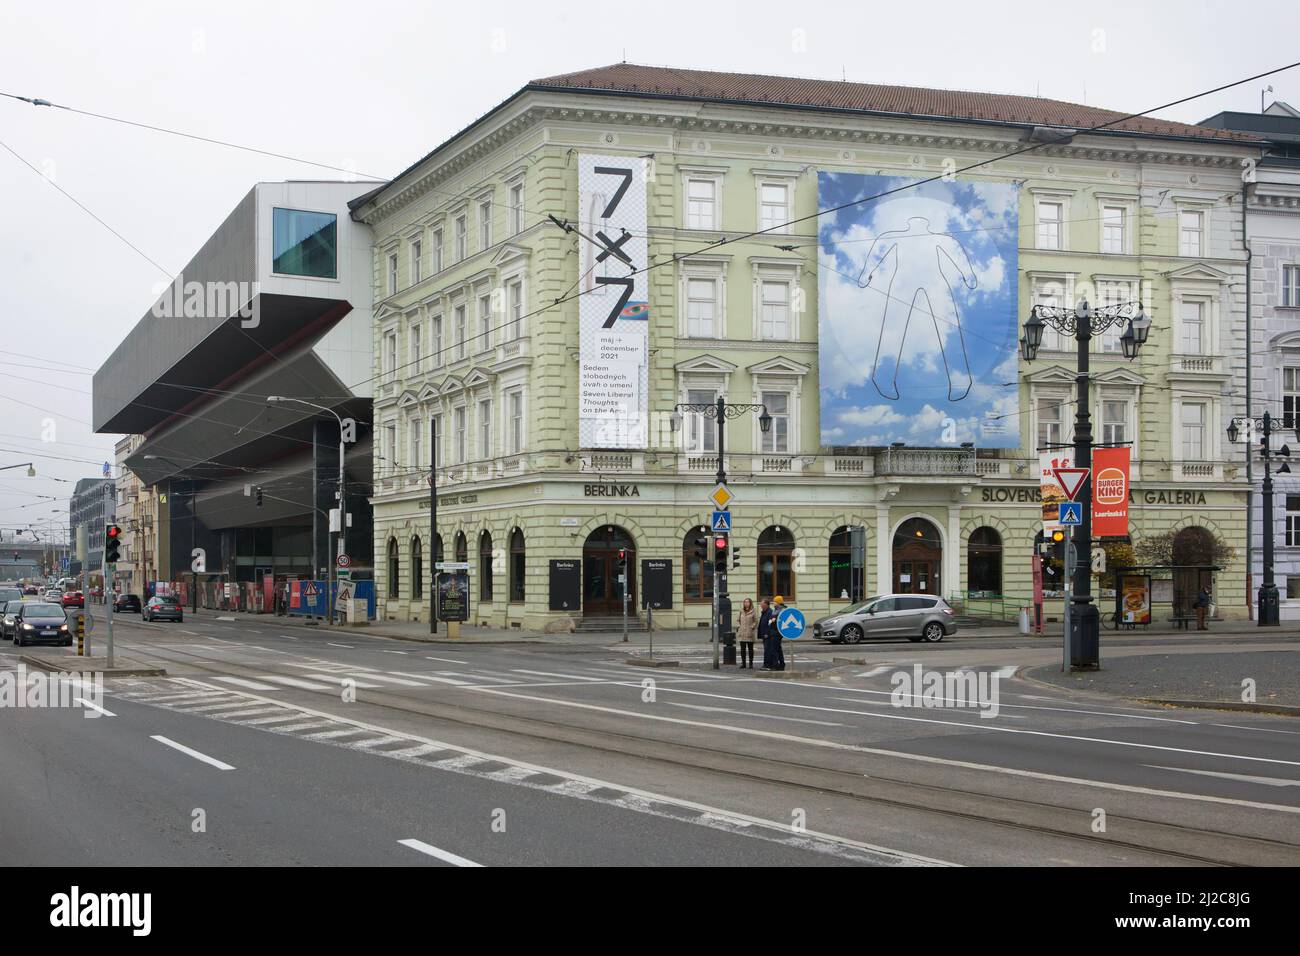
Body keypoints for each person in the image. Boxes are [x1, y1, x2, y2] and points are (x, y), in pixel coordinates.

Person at [735, 598, 758, 668]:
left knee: (750, 649)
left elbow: (756, 621)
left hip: (749, 632)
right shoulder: (741, 611)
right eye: (745, 602)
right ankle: (743, 663)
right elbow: (738, 620)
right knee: (742, 649)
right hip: (742, 632)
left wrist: (752, 627)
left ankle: (751, 663)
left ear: (750, 603)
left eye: (747, 602)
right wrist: (738, 626)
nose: (746, 603)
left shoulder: (753, 611)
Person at [758, 598, 776, 669]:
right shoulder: (764, 612)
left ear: (766, 604)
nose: (760, 605)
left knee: (768, 650)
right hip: (764, 634)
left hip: (768, 635)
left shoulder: (770, 612)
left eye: (762, 604)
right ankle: (767, 664)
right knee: (767, 650)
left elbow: (770, 624)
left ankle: (767, 665)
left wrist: (767, 633)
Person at [771, 595, 787, 671]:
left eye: (774, 601)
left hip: (777, 632)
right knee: (778, 649)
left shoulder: (781, 610)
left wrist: (775, 620)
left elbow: (782, 621)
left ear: (778, 602)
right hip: (774, 631)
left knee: (775, 649)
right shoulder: (776, 609)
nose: (773, 603)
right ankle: (781, 664)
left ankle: (776, 665)